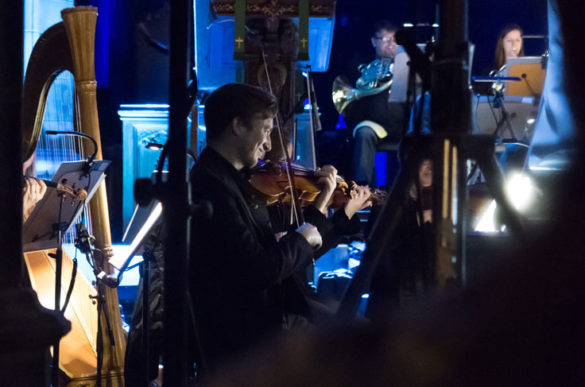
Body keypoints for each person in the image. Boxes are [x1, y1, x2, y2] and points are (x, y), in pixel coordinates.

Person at [189, 83, 370, 373]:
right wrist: (305, 231)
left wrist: (316, 227)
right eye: (264, 130)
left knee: (362, 332)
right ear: (237, 126)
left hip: (271, 315)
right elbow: (262, 270)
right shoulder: (212, 186)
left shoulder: (230, 180)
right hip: (251, 335)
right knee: (363, 342)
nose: (269, 145)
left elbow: (287, 256)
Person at [366, 158, 433, 321]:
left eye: (435, 158)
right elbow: (385, 261)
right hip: (392, 305)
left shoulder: (446, 204)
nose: (430, 165)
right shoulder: (387, 203)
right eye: (424, 158)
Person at [342, 20, 407, 187]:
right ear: (374, 41)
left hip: (402, 126)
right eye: (385, 40)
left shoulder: (407, 65)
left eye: (394, 40)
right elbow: (348, 103)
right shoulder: (360, 66)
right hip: (374, 125)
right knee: (364, 132)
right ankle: (362, 188)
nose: (391, 45)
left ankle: (410, 190)